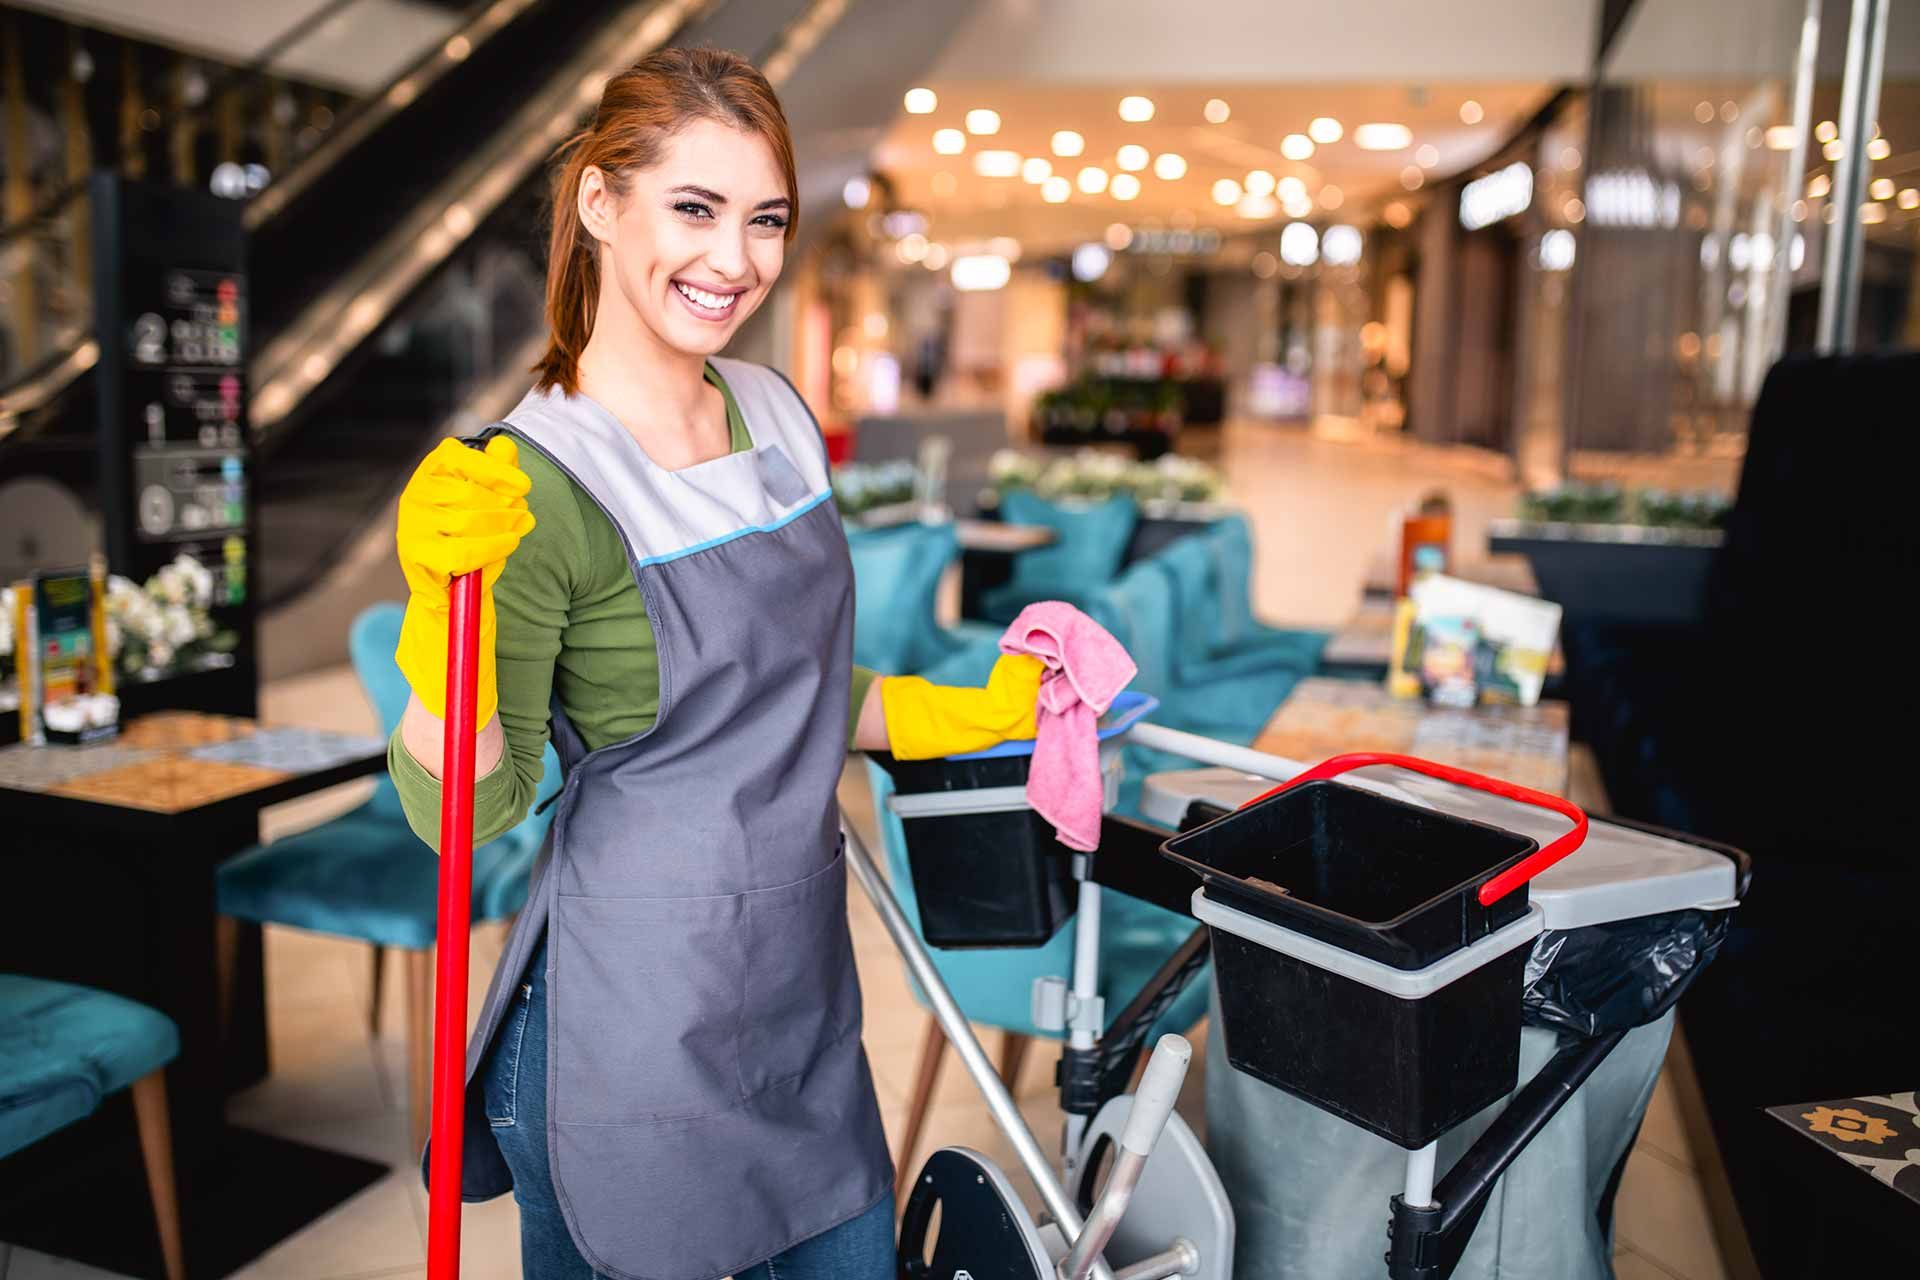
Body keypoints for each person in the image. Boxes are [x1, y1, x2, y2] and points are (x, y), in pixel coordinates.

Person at [386, 48, 1043, 1280]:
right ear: (598, 203)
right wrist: (444, 632)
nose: (733, 260)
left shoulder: (779, 413)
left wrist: (969, 711)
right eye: (694, 208)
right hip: (626, 1028)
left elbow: (786, 693)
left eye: (766, 219)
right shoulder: (529, 485)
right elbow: (464, 810)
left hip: (799, 993)